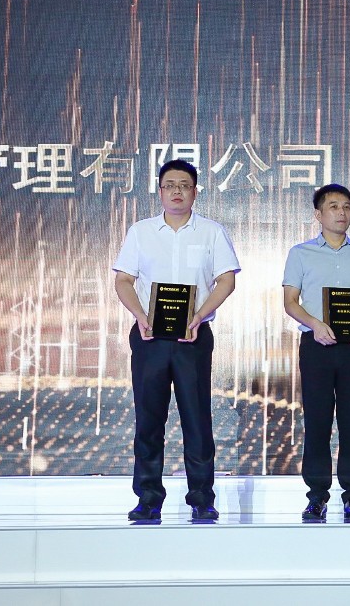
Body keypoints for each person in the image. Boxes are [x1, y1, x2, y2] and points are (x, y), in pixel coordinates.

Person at [113, 159, 240, 522]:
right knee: (148, 419)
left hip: (193, 337)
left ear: (195, 192)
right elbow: (123, 280)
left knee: (196, 419)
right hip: (149, 337)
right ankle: (148, 498)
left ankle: (201, 498)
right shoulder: (141, 231)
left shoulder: (212, 232)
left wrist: (199, 316)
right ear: (160, 191)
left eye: (184, 185)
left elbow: (227, 280)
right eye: (170, 185)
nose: (177, 191)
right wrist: (141, 315)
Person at [282, 183, 350, 522]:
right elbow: (290, 302)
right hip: (317, 347)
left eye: (346, 206)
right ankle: (316, 496)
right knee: (317, 421)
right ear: (319, 214)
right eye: (334, 206)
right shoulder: (301, 253)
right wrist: (315, 324)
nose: (342, 213)